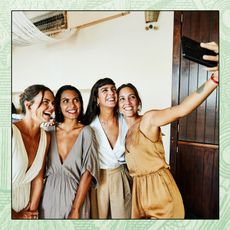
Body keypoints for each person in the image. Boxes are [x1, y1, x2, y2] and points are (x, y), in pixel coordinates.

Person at [117, 41, 219, 219]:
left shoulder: (149, 119)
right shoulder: (126, 131)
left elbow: (181, 109)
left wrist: (214, 80)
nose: (127, 102)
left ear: (138, 101)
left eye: (131, 97)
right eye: (122, 99)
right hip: (140, 194)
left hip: (160, 192)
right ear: (118, 106)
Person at [39, 85, 99, 219]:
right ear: (58, 106)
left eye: (76, 100)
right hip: (48, 198)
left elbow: (88, 173)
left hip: (76, 197)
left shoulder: (87, 132)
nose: (72, 105)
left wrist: (76, 208)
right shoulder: (48, 131)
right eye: (65, 101)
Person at [83, 78, 132, 219]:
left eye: (113, 89)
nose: (111, 93)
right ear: (97, 99)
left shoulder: (126, 119)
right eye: (105, 90)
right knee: (100, 220)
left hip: (121, 177)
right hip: (98, 180)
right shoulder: (88, 125)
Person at [12, 84, 55, 219]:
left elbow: (38, 178)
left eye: (53, 103)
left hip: (27, 207)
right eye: (45, 102)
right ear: (28, 105)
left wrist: (31, 213)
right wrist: (13, 215)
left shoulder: (45, 137)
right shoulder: (10, 133)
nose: (52, 107)